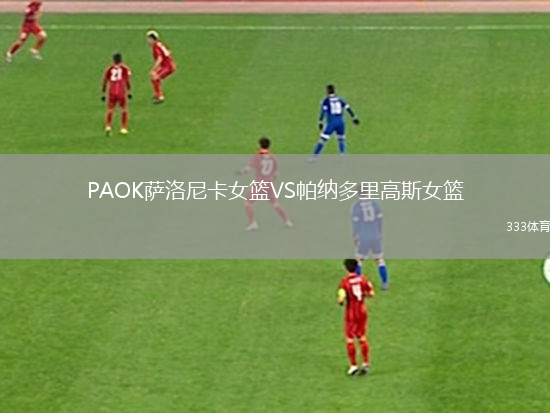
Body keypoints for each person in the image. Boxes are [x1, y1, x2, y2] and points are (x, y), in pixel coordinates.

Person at [236, 137, 293, 231]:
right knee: (275, 203)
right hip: (269, 183)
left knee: (247, 203)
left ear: (259, 145)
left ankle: (253, 223)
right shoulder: (272, 157)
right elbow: (276, 173)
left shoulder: (257, 156)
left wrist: (241, 172)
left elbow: (248, 168)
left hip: (259, 183)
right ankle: (287, 221)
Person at [337, 259, 375, 376]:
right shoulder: (364, 279)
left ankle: (353, 366)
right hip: (362, 311)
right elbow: (371, 294)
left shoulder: (344, 283)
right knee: (362, 337)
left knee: (350, 339)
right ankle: (365, 363)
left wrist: (341, 301)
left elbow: (341, 299)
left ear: (346, 268)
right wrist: (363, 295)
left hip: (351, 313)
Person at [310, 84, 359, 162]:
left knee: (322, 140)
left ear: (327, 91)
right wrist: (354, 118)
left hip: (332, 122)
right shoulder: (340, 100)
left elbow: (323, 112)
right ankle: (342, 156)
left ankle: (314, 157)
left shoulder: (326, 101)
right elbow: (348, 108)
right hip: (341, 121)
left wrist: (320, 122)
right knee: (341, 139)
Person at [351, 196, 389, 290]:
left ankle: (359, 284)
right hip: (375, 235)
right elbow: (380, 220)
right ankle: (385, 283)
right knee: (379, 260)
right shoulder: (375, 204)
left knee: (359, 260)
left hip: (364, 236)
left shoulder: (357, 206)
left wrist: (355, 235)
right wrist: (380, 232)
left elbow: (355, 223)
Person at [101, 53, 132, 136]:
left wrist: (103, 93)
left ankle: (108, 126)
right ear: (121, 60)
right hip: (121, 91)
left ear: (113, 60)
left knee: (110, 109)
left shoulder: (109, 69)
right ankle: (123, 128)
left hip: (112, 91)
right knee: (124, 109)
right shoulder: (125, 69)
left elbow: (105, 81)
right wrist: (129, 91)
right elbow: (127, 80)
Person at [146, 30, 176, 104]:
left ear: (153, 39)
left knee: (154, 77)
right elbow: (168, 52)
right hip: (168, 65)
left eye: (149, 39)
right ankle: (158, 94)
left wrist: (153, 69)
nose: (148, 41)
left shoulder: (156, 47)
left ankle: (160, 97)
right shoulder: (160, 44)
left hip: (168, 67)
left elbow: (159, 59)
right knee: (154, 78)